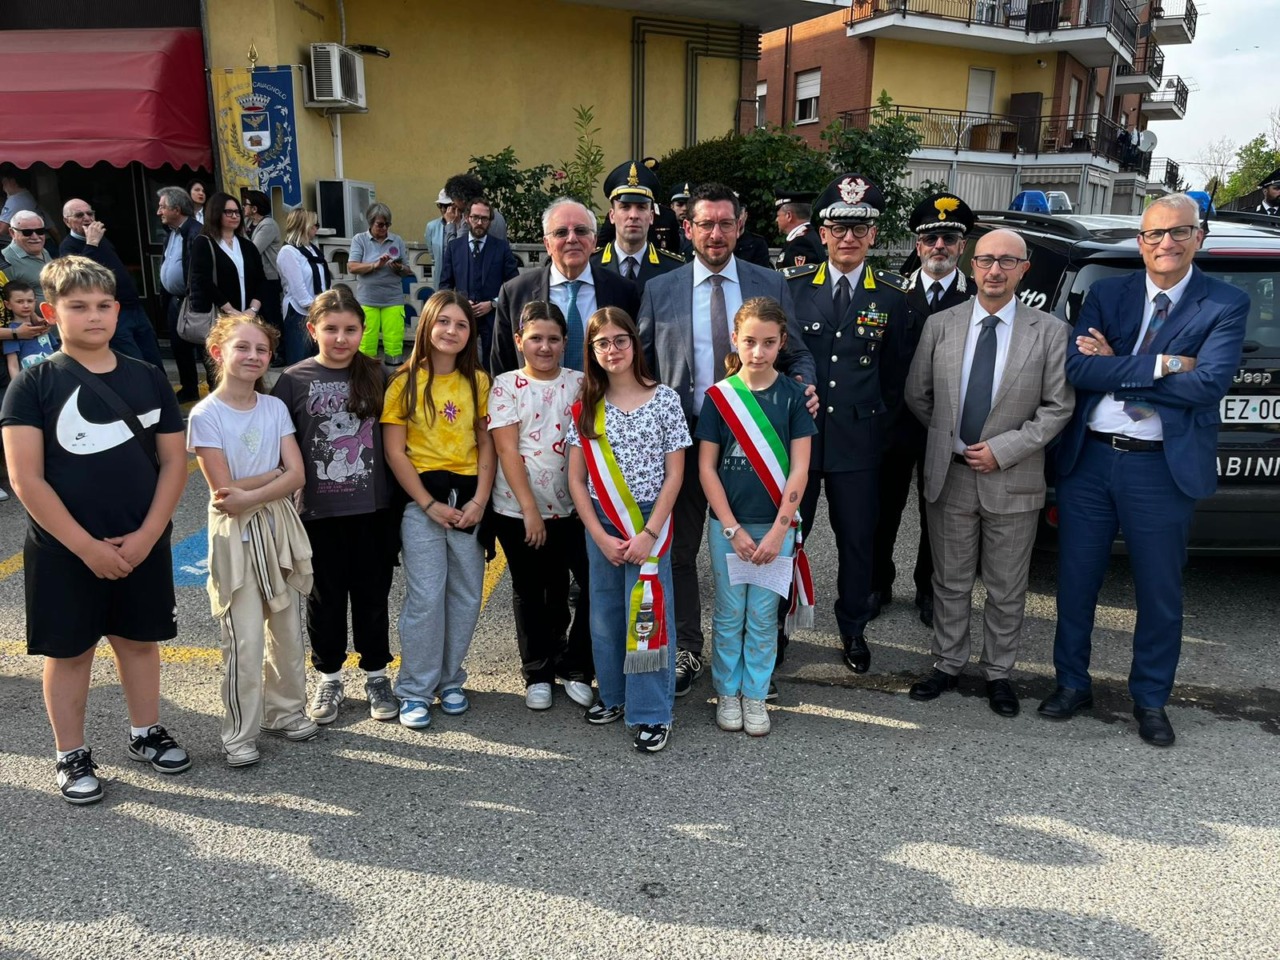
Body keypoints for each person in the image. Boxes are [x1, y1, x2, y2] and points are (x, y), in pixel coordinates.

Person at [1041, 193, 1250, 747]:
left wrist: (1118, 365)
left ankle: (1151, 699)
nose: (1167, 243)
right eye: (1155, 234)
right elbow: (1079, 368)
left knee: (1159, 592)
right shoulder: (1110, 292)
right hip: (1091, 460)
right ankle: (1071, 683)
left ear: (1198, 237)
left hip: (1160, 469)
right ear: (1140, 241)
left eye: (1179, 232)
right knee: (1076, 582)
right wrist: (1162, 364)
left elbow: (1209, 384)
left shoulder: (1225, 303)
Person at [1, 256, 191, 804]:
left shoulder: (149, 377)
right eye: (78, 306)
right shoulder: (33, 385)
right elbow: (26, 478)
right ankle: (70, 752)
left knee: (138, 642)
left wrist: (149, 534)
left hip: (141, 541)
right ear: (48, 312)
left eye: (104, 305)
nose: (94, 316)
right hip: (63, 549)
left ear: (118, 309)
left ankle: (145, 731)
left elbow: (175, 464)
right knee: (70, 652)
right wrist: (85, 547)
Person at [638, 181, 815, 697]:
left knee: (762, 546)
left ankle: (756, 661)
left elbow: (797, 353)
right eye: (705, 224)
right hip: (686, 442)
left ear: (740, 227)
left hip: (758, 446)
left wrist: (803, 388)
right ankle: (691, 648)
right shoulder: (660, 288)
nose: (716, 233)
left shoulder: (769, 282)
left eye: (726, 223)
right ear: (687, 228)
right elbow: (643, 363)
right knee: (682, 553)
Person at [904, 228, 1074, 716]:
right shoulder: (942, 324)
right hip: (951, 474)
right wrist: (950, 440)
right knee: (950, 580)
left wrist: (1003, 449)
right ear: (971, 266)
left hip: (1013, 476)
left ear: (1024, 269)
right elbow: (919, 394)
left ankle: (999, 673)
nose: (994, 270)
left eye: (1006, 261)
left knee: (1005, 587)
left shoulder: (1049, 331)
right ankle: (948, 662)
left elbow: (1057, 407)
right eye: (985, 261)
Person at [780, 173, 909, 676]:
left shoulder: (894, 297)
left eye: (860, 228)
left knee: (858, 541)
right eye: (839, 227)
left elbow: (897, 378)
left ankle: (853, 627)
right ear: (823, 232)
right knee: (791, 536)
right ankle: (779, 624)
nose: (849, 237)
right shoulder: (791, 288)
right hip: (801, 443)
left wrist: (882, 438)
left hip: (861, 445)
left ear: (874, 235)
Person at [188, 315, 318, 767]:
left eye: (261, 350)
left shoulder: (274, 408)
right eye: (243, 347)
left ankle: (285, 712)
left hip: (277, 523)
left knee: (285, 627)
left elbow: (299, 474)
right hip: (237, 535)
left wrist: (256, 488)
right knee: (243, 636)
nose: (253, 357)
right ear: (218, 351)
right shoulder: (206, 414)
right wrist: (274, 477)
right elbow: (226, 498)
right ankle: (239, 731)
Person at [271, 287, 399, 725]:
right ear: (312, 330)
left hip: (373, 510)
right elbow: (280, 444)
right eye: (331, 329)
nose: (341, 338)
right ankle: (328, 676)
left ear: (363, 331)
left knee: (371, 595)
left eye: (350, 330)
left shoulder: (378, 375)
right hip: (317, 514)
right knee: (324, 600)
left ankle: (377, 673)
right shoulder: (293, 379)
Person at [567, 306, 690, 753]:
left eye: (621, 340)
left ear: (634, 344)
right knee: (604, 613)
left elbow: (675, 475)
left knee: (648, 617)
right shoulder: (585, 407)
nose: (612, 349)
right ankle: (615, 696)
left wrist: (650, 533)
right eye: (602, 343)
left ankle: (652, 711)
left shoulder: (665, 399)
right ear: (592, 350)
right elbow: (576, 480)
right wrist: (599, 536)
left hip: (649, 521)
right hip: (602, 522)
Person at [697, 297, 816, 737]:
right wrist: (731, 528)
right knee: (729, 613)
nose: (758, 352)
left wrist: (779, 531)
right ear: (736, 339)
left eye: (769, 343)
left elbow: (801, 467)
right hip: (727, 527)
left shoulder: (793, 396)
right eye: (750, 342)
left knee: (764, 616)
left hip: (776, 529)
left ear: (782, 342)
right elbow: (706, 467)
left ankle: (755, 692)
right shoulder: (720, 398)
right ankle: (727, 692)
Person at [381, 291, 495, 729]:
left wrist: (480, 501)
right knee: (426, 597)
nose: (451, 331)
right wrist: (426, 503)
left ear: (471, 333)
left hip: (469, 500)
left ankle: (450, 679)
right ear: (426, 326)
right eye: (443, 322)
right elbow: (396, 453)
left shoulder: (478, 382)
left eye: (461, 325)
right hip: (422, 501)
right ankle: (414, 686)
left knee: (465, 594)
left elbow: (487, 443)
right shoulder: (403, 383)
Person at [872, 193, 976, 627]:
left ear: (962, 247)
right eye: (931, 237)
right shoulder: (893, 293)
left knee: (939, 512)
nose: (939, 246)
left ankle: (928, 590)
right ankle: (878, 584)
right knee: (885, 508)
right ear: (917, 245)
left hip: (947, 425)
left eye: (949, 239)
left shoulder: (975, 299)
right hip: (895, 424)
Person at [488, 300, 594, 711]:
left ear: (565, 342)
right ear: (519, 341)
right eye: (535, 338)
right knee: (532, 590)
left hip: (574, 509)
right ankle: (538, 671)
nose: (544, 347)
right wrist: (530, 509)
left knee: (585, 586)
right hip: (519, 511)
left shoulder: (581, 383)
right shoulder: (505, 385)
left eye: (553, 339)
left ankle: (576, 666)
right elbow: (507, 450)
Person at [491, 198, 640, 375]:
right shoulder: (515, 292)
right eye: (561, 232)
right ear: (547, 244)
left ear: (594, 242)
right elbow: (502, 365)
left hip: (605, 399)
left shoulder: (624, 291)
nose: (572, 239)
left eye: (581, 231)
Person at [59, 199, 166, 369]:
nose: (87, 218)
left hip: (134, 308)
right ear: (67, 221)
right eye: (79, 215)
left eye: (90, 213)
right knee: (134, 363)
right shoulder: (68, 247)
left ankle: (161, 394)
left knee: (153, 359)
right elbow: (80, 278)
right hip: (114, 314)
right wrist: (91, 243)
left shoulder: (102, 239)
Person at [438, 196, 520, 370]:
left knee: (492, 364)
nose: (479, 222)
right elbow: (444, 285)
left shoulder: (501, 247)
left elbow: (514, 285)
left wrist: (493, 303)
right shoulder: (454, 247)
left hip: (493, 317)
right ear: (467, 218)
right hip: (461, 315)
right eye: (475, 217)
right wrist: (459, 303)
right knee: (459, 362)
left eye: (484, 218)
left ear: (490, 221)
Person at [590, 161, 683, 296]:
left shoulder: (674, 269)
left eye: (641, 207)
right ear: (612, 215)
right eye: (625, 207)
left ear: (651, 216)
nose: (633, 215)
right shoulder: (591, 265)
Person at [155, 186, 207, 403]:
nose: (159, 212)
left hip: (193, 302)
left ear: (176, 209)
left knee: (206, 351)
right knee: (180, 349)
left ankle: (217, 390)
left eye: (162, 207)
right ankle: (189, 389)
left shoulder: (197, 232)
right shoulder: (172, 234)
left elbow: (201, 272)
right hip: (175, 302)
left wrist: (196, 301)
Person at [187, 193, 267, 327]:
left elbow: (261, 279)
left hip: (249, 318)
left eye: (237, 212)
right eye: (229, 212)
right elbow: (202, 280)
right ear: (216, 213)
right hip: (218, 318)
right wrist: (230, 310)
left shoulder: (247, 245)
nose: (235, 216)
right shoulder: (204, 243)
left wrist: (253, 309)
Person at [349, 202, 412, 366]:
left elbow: (408, 270)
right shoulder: (360, 239)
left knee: (394, 341)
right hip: (367, 300)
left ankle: (394, 375)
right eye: (380, 224)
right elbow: (352, 266)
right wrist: (374, 265)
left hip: (393, 299)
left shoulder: (397, 240)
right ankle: (367, 379)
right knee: (366, 342)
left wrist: (399, 268)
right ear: (370, 223)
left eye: (387, 224)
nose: (384, 228)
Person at [276, 208, 332, 365]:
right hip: (299, 313)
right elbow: (298, 289)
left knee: (319, 361)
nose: (317, 228)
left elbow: (324, 280)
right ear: (304, 226)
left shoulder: (312, 250)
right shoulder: (288, 252)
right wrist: (318, 306)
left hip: (319, 311)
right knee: (300, 363)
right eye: (315, 224)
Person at [243, 190, 285, 363]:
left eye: (245, 204)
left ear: (254, 208)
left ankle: (281, 353)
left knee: (272, 316)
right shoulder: (248, 223)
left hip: (270, 277)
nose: (242, 208)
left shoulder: (268, 225)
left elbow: (253, 249)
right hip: (257, 277)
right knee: (261, 318)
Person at [4, 280, 58, 376]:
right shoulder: (10, 332)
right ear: (8, 304)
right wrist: (18, 388)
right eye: (19, 302)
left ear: (35, 302)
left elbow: (55, 351)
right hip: (31, 382)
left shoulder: (41, 325)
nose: (26, 305)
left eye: (30, 301)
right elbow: (13, 365)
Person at [2, 211, 53, 303]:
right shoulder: (5, 261)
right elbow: (7, 299)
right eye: (27, 232)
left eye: (40, 231)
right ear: (12, 233)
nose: (35, 237)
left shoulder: (43, 251)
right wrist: (33, 317)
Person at [444, 173, 509, 243]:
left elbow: (455, 250)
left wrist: (450, 224)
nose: (453, 203)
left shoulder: (471, 219)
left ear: (462, 200)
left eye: (454, 199)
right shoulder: (497, 215)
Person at [773, 188, 824, 269]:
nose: (776, 220)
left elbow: (798, 280)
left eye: (778, 215)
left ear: (788, 216)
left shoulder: (801, 244)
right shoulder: (806, 237)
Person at [424, 188, 457, 286]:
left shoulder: (462, 225)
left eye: (446, 206)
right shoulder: (432, 226)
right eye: (440, 205)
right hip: (441, 276)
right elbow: (432, 254)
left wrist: (450, 223)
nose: (443, 209)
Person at [0, 167, 38, 239]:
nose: (3, 188)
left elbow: (2, 229)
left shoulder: (14, 200)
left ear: (12, 182)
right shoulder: (27, 195)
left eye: (4, 183)